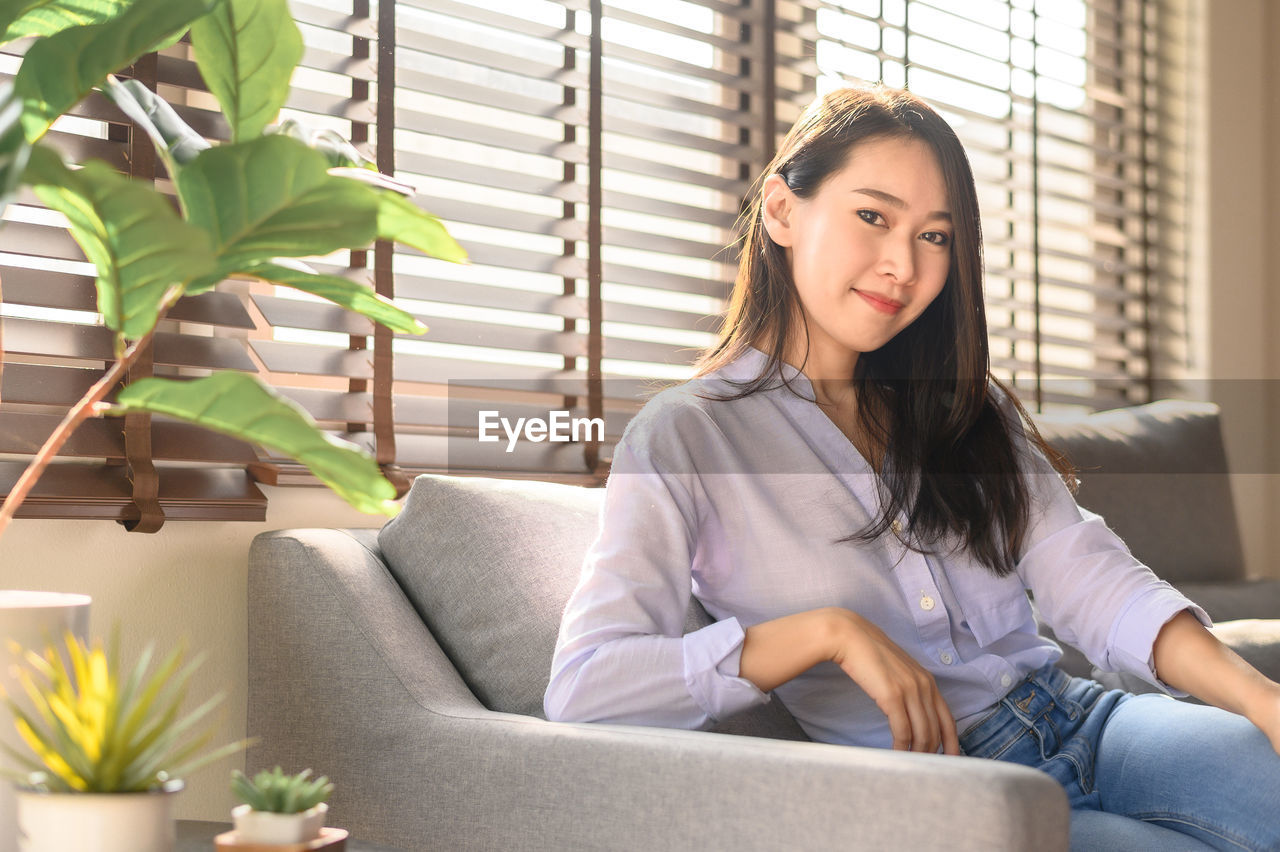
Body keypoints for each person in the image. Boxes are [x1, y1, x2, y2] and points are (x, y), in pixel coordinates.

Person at [543, 85, 1280, 850]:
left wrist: (1262, 700)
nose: (903, 264)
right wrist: (827, 633)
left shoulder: (963, 408)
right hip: (957, 798)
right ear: (782, 210)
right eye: (873, 216)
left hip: (1089, 719)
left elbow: (1089, 576)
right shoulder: (686, 439)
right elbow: (587, 688)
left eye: (935, 237)